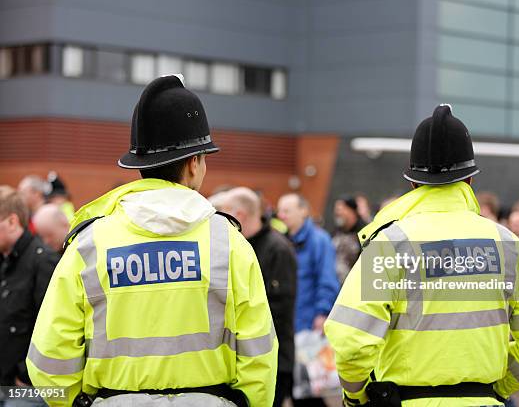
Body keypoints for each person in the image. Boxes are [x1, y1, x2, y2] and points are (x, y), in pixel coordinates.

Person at [26, 75, 278, 407]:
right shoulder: (228, 243)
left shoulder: (89, 245)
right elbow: (259, 353)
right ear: (192, 164)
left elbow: (48, 357)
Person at [324, 105, 519, 406]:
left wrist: (356, 396)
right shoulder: (509, 245)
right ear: (470, 180)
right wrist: (498, 388)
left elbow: (351, 343)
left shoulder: (388, 244)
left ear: (413, 183)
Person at [222, 187, 297, 407]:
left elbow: (280, 308)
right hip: (244, 361)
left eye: (225, 213)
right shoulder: (237, 246)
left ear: (241, 215)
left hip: (273, 361)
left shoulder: (278, 249)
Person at [276, 193, 339, 407]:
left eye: (287, 210)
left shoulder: (319, 240)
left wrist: (322, 312)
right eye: (280, 210)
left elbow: (327, 278)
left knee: (310, 388)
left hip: (309, 322)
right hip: (290, 324)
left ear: (304, 210)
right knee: (299, 388)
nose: (281, 215)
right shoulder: (285, 241)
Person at [0, 186, 59, 406]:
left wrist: (25, 375)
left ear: (12, 221)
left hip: (26, 389)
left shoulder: (42, 261)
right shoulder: (5, 260)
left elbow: (52, 327)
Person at [332, 196, 366, 284]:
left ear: (351, 211)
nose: (337, 213)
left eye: (341, 209)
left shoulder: (364, 232)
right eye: (336, 210)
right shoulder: (336, 232)